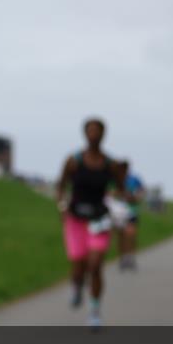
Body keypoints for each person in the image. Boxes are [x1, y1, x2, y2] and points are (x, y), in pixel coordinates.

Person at [55, 118, 125, 331]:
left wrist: (117, 197)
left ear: (104, 134)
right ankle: (76, 286)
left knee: (95, 265)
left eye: (98, 131)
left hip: (99, 220)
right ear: (84, 134)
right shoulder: (74, 161)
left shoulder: (110, 164)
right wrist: (62, 204)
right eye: (90, 130)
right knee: (79, 265)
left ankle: (95, 310)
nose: (94, 134)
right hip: (76, 219)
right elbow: (61, 185)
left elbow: (120, 189)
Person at [117, 162, 145, 270]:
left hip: (132, 211)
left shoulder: (134, 179)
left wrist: (136, 198)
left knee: (131, 235)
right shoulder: (116, 179)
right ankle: (123, 258)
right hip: (118, 213)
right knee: (121, 236)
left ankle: (131, 257)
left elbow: (142, 190)